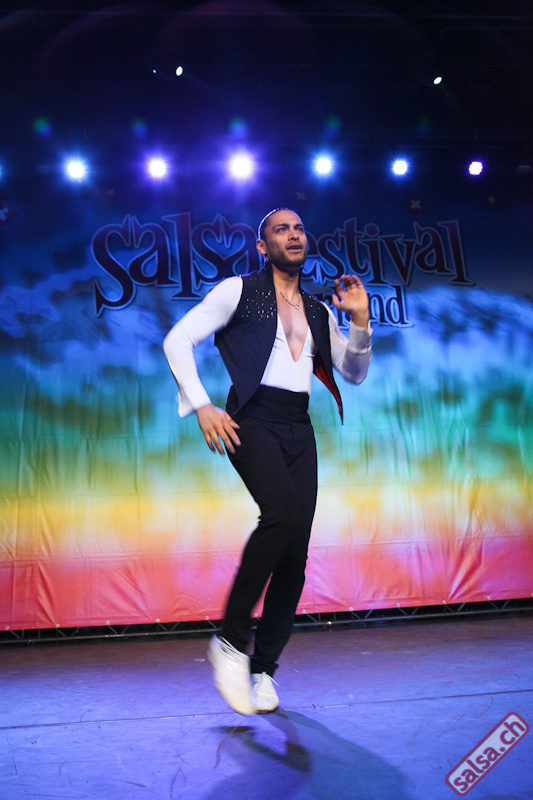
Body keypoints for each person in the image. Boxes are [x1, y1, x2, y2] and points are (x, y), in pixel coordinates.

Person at [163, 208, 372, 715]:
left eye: (299, 228)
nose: (293, 235)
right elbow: (177, 340)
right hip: (252, 418)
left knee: (294, 555)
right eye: (281, 229)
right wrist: (202, 405)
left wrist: (361, 320)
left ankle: (264, 671)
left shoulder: (318, 310)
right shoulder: (238, 291)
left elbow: (353, 372)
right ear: (263, 246)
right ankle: (230, 641)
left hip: (298, 426)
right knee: (281, 514)